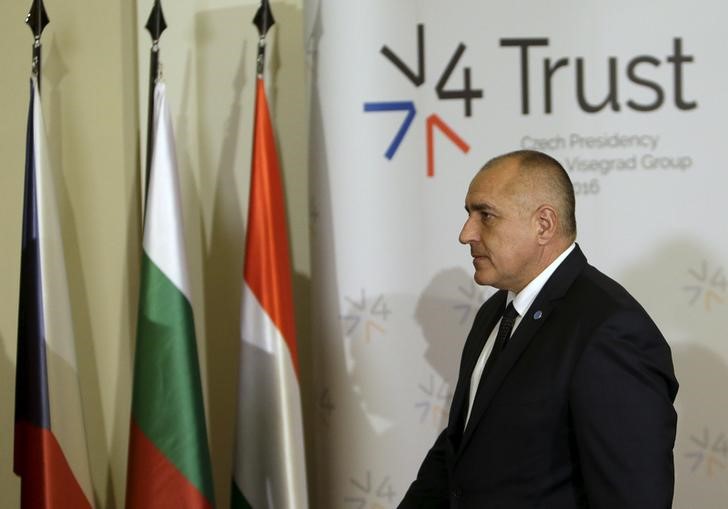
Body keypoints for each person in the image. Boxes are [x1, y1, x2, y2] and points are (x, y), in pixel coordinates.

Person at [399, 150, 678, 509]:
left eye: (486, 215)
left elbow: (635, 499)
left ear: (544, 224)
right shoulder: (493, 313)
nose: (466, 234)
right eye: (468, 215)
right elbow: (460, 448)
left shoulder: (609, 330)